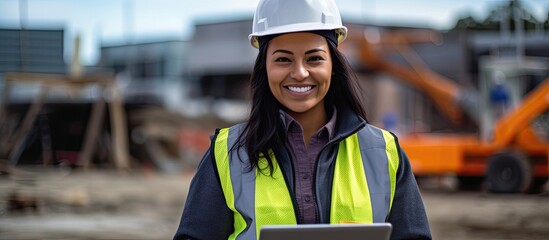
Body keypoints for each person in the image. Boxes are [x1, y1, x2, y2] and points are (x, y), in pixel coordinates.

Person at [174, 0, 431, 239]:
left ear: (333, 64)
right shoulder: (226, 153)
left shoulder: (384, 152)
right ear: (265, 66)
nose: (299, 73)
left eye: (314, 58)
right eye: (283, 59)